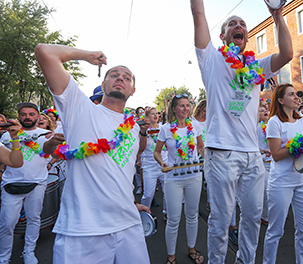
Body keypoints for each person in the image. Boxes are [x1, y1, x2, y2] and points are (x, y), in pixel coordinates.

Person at [185, 0, 293, 263]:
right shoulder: (212, 59)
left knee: (253, 216)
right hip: (221, 151)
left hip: (251, 155)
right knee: (220, 220)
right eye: (232, 23)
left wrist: (276, 15)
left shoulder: (257, 67)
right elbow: (198, 14)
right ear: (223, 36)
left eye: (243, 24)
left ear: (246, 36)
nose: (239, 26)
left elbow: (286, 53)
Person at [34, 44, 151, 263]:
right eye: (114, 75)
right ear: (102, 84)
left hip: (128, 224)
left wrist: (130, 202)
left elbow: (120, 172)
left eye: (127, 77)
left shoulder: (132, 126)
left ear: (133, 90)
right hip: (82, 231)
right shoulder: (79, 109)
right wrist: (87, 56)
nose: (120, 79)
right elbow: (44, 52)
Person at [263, 84, 303, 264]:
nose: (296, 97)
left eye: (296, 94)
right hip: (281, 182)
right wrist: (302, 141)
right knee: (276, 230)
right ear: (280, 100)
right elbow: (276, 155)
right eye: (291, 95)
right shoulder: (274, 122)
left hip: (302, 180)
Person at [154, 94, 205, 264]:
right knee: (174, 219)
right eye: (181, 106)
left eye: (187, 105)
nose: (185, 109)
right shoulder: (166, 129)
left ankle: (191, 249)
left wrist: (205, 159)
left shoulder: (195, 125)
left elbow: (200, 146)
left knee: (192, 215)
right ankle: (171, 257)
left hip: (194, 176)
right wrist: (162, 162)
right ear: (174, 109)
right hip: (173, 178)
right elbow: (157, 152)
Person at [0, 102, 52, 264]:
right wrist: (1, 172)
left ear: (37, 116)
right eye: (23, 114)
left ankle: (29, 251)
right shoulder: (8, 135)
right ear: (19, 117)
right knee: (7, 223)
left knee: (34, 219)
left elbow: (54, 152)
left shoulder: (46, 134)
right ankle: (4, 257)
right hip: (11, 184)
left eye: (31, 114)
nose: (27, 117)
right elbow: (4, 159)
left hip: (37, 183)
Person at [138, 107, 167, 218]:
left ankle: (166, 213)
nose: (155, 116)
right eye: (152, 114)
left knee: (167, 192)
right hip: (149, 166)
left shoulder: (163, 128)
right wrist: (144, 133)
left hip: (164, 164)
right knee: (148, 195)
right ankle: (145, 216)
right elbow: (141, 149)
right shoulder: (142, 130)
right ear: (147, 117)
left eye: (157, 113)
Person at [257, 102, 272, 226]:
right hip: (261, 164)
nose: (264, 112)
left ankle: (271, 213)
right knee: (266, 191)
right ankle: (264, 216)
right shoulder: (255, 128)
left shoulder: (271, 125)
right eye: (261, 111)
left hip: (274, 164)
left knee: (273, 191)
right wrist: (261, 153)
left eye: (265, 110)